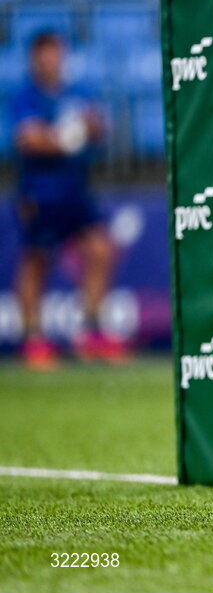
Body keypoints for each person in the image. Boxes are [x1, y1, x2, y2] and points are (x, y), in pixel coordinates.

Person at [8, 30, 127, 370]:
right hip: (39, 191)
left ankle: (91, 332)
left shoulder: (77, 93)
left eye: (56, 54)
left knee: (100, 249)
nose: (51, 60)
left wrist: (91, 129)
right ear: (35, 59)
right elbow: (28, 140)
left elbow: (98, 128)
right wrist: (66, 138)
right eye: (45, 55)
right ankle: (32, 338)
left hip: (76, 189)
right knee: (36, 260)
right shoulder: (26, 97)